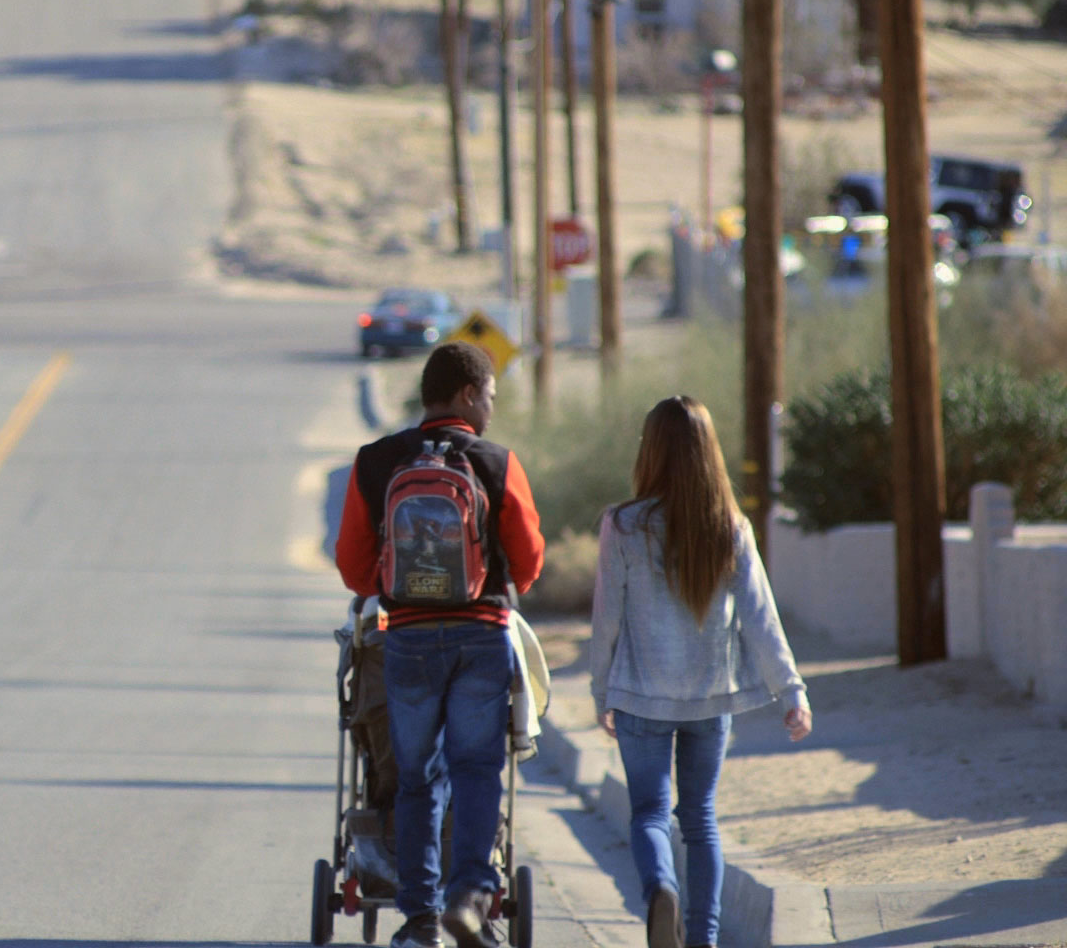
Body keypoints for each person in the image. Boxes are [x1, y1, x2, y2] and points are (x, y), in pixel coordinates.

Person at [336, 342, 545, 948]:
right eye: (489, 397)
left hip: (405, 640)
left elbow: (353, 565)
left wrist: (400, 584)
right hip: (481, 636)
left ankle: (420, 920)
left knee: (417, 778)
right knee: (477, 768)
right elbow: (528, 562)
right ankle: (471, 897)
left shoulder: (376, 461)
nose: (490, 410)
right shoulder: (496, 461)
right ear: (465, 393)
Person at [588, 396, 813, 948]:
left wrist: (601, 691)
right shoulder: (728, 527)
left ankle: (660, 888)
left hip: (641, 697)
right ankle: (704, 940)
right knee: (700, 819)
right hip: (712, 699)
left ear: (652, 451)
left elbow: (605, 620)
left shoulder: (623, 525)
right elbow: (762, 615)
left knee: (648, 813)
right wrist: (792, 690)